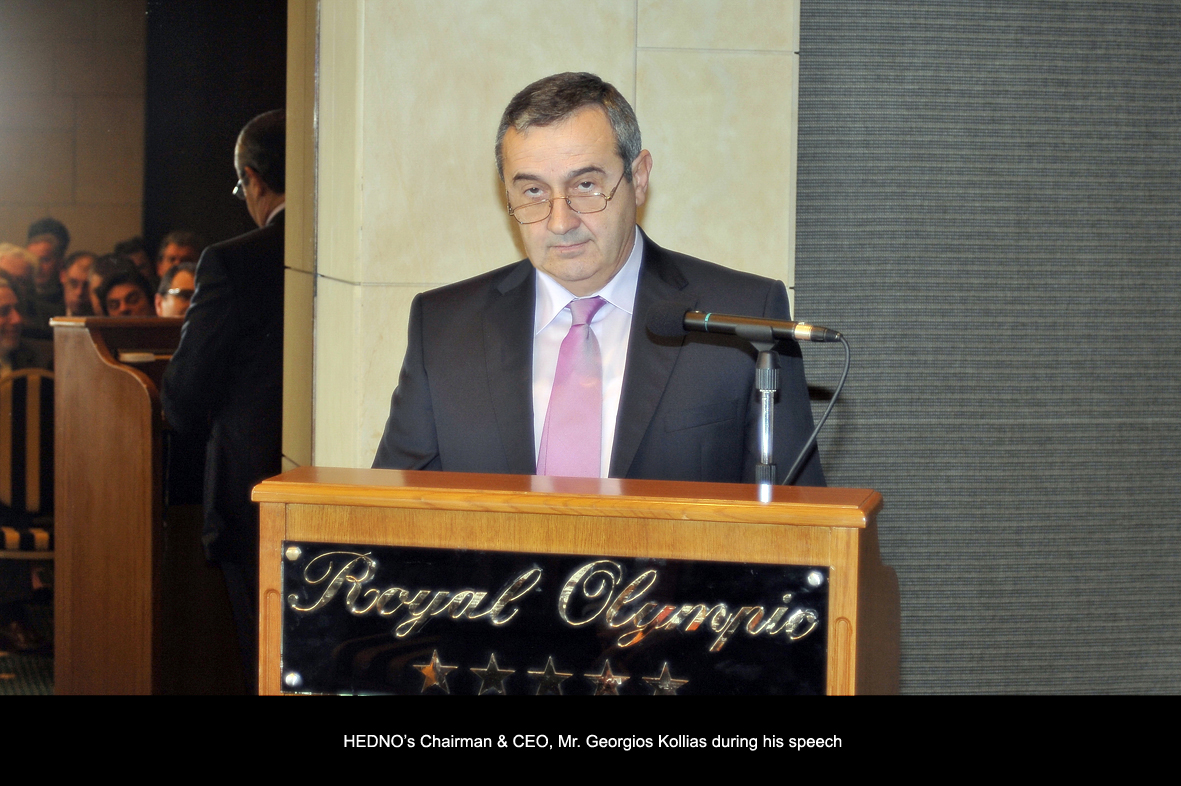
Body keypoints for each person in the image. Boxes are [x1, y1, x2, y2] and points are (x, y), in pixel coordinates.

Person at [373, 73, 824, 486]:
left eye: (585, 185)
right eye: (533, 191)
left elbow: (799, 526)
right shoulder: (446, 329)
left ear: (639, 178)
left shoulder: (742, 318)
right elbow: (388, 517)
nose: (560, 222)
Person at [162, 109, 286, 691]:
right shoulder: (356, 252)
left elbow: (183, 398)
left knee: (263, 661)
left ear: (253, 179)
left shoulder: (233, 262)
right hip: (352, 485)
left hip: (252, 496)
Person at [60, 251, 97, 317]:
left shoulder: (108, 318)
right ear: (63, 276)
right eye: (73, 283)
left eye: (86, 285)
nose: (79, 292)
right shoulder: (45, 315)